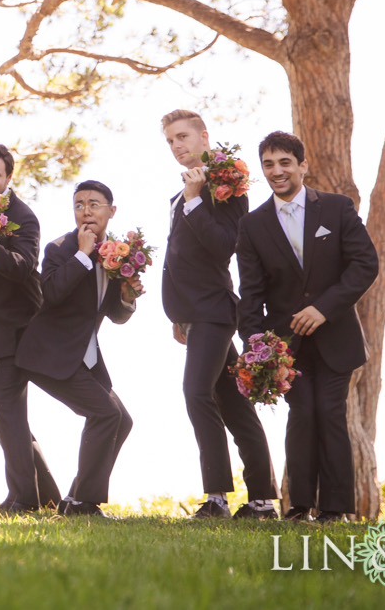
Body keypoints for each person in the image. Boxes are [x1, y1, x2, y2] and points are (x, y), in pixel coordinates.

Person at [236, 130, 377, 522]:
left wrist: (323, 309)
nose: (276, 171)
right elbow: (249, 294)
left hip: (336, 336)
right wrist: (258, 349)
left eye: (284, 162)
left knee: (330, 412)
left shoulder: (337, 208)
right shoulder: (252, 225)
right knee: (301, 415)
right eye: (268, 164)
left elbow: (365, 264)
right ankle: (299, 506)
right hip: (285, 345)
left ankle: (335, 509)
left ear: (303, 165)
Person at [159, 109, 277, 518]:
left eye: (183, 136)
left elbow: (225, 244)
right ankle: (262, 501)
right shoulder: (181, 192)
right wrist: (179, 315)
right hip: (194, 315)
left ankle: (216, 499)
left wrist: (195, 202)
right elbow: (183, 258)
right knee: (233, 405)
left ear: (204, 136)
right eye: (171, 140)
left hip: (214, 311)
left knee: (196, 393)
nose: (177, 145)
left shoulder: (227, 184)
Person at [6, 180, 136, 517]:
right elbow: (52, 295)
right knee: (105, 414)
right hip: (48, 355)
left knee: (122, 420)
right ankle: (82, 504)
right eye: (79, 204)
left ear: (111, 211)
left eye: (94, 204)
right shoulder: (60, 248)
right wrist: (81, 254)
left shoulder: (118, 254)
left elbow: (115, 315)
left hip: (83, 357)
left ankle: (75, 497)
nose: (86, 211)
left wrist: (127, 296)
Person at [0, 143, 59, 513]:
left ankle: (22, 499)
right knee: (1, 411)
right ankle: (47, 495)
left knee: (8, 407)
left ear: (8, 178)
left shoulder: (23, 216)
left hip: (22, 326)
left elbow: (23, 265)